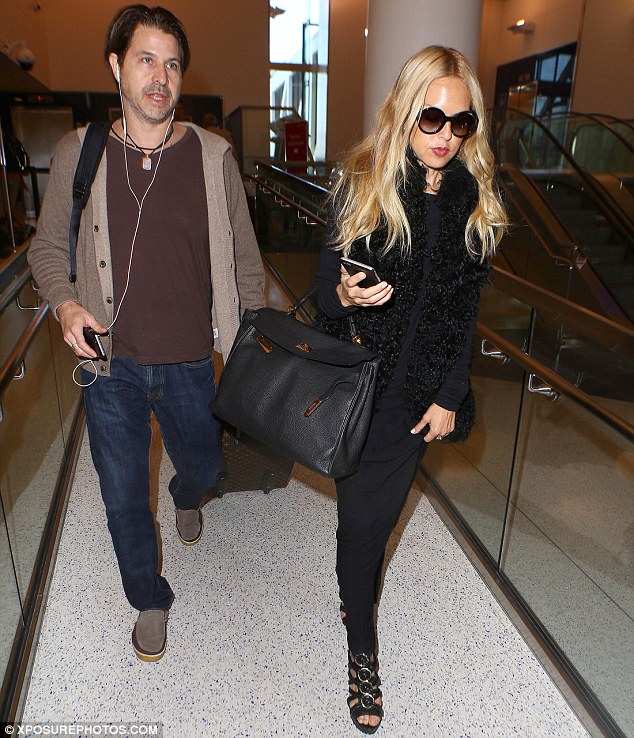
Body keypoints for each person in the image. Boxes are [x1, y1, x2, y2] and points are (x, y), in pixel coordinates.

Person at [28, 5, 264, 662]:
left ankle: (188, 493)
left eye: (172, 64)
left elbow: (246, 261)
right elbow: (46, 249)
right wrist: (66, 306)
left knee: (207, 465)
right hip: (110, 365)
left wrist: (249, 346)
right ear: (116, 67)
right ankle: (148, 599)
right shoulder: (80, 153)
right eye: (145, 60)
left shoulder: (213, 156)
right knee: (123, 494)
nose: (160, 77)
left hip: (191, 359)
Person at [311, 46, 507, 733]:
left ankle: (355, 602)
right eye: (432, 118)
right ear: (403, 110)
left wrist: (450, 394)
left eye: (462, 123)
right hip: (356, 387)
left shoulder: (470, 201)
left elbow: (465, 312)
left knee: (372, 523)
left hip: (415, 401)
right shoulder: (363, 184)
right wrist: (345, 294)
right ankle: (361, 641)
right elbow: (321, 293)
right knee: (361, 524)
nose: (447, 135)